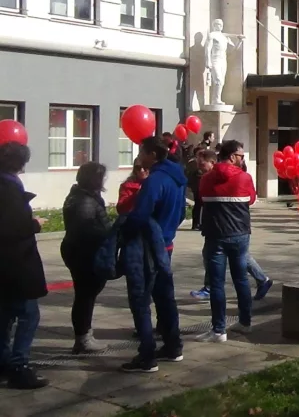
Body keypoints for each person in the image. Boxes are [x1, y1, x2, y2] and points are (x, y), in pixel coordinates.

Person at [119, 136, 186, 373]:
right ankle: (172, 345)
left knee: (141, 299)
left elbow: (140, 214)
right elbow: (181, 214)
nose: (140, 157)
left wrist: (125, 231)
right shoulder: (177, 177)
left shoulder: (155, 180)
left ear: (153, 155)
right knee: (164, 296)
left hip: (148, 245)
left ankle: (146, 356)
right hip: (166, 242)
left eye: (142, 152)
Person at [197, 139, 257, 343]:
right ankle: (246, 323)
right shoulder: (245, 178)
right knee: (241, 279)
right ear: (232, 157)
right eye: (241, 156)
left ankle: (218, 330)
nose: (242, 159)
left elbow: (203, 198)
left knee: (216, 284)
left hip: (215, 236)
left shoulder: (206, 179)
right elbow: (251, 199)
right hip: (240, 235)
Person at [0, 142, 48, 389]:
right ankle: (19, 365)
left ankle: (4, 361)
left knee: (6, 313)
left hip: (8, 265)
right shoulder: (8, 187)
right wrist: (34, 224)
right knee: (28, 314)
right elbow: (10, 228)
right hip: (15, 263)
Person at [61, 162, 114, 355]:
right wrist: (110, 232)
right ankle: (83, 338)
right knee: (85, 295)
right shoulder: (83, 200)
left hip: (80, 250)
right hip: (83, 253)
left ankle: (84, 336)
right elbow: (86, 229)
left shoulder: (84, 196)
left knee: (86, 294)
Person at [186, 149, 214, 232]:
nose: (199, 166)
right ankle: (197, 223)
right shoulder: (192, 163)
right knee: (198, 205)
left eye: (202, 164)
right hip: (197, 187)